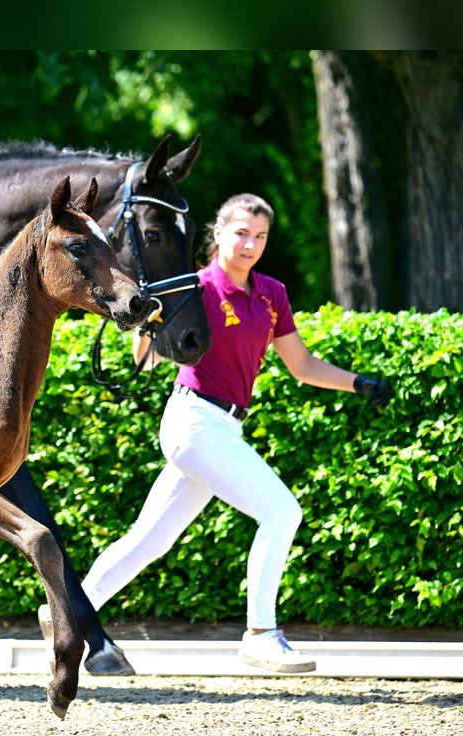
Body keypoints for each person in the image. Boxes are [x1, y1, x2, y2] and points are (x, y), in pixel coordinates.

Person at [68, 193, 392, 673]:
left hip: (225, 428)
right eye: (241, 232)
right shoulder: (192, 286)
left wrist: (358, 383)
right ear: (218, 234)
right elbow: (144, 359)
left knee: (149, 541)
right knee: (283, 513)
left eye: (260, 236)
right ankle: (261, 634)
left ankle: (69, 612)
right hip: (193, 421)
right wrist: (147, 325)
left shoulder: (271, 293)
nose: (251, 244)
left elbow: (300, 365)